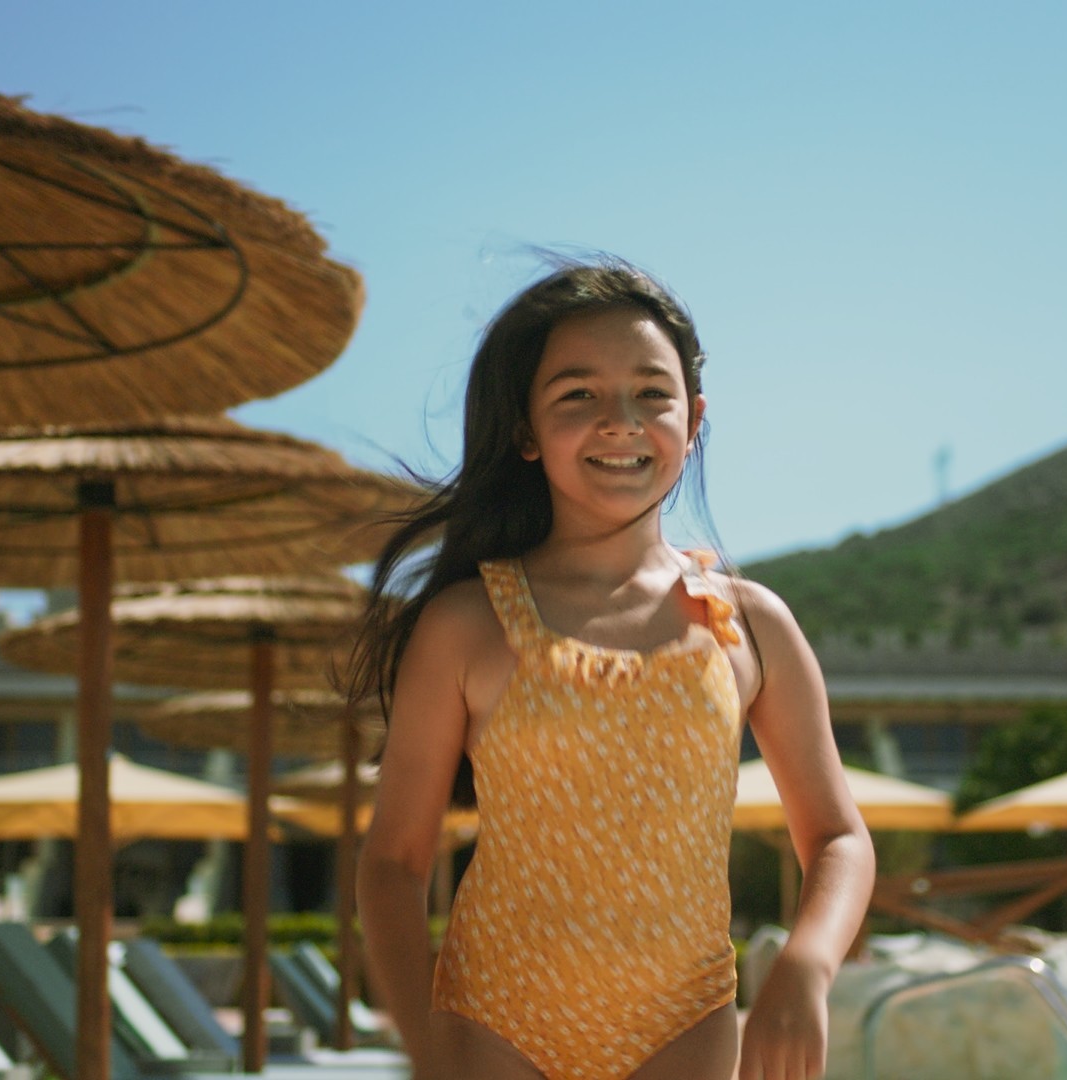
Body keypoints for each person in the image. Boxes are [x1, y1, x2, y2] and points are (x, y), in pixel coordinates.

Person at [349, 259, 874, 1080]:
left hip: (685, 1023)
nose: (620, 421)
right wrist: (424, 1047)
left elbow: (839, 836)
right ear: (525, 430)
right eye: (577, 395)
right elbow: (393, 862)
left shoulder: (751, 625)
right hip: (493, 1024)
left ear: (693, 418)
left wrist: (805, 966)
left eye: (651, 393)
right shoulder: (466, 623)